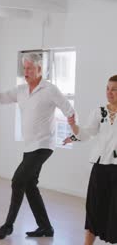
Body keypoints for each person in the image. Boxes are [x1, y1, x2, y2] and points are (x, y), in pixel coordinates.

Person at [0, 53, 75, 240]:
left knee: (17, 181)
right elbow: (0, 98)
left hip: (44, 145)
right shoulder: (21, 90)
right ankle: (45, 227)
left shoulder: (50, 89)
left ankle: (8, 226)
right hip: (29, 146)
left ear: (39, 69)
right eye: (25, 68)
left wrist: (73, 134)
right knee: (29, 185)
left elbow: (68, 109)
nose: (26, 71)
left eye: (30, 68)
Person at [63, 75, 117, 245]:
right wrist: (74, 127)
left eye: (114, 89)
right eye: (107, 88)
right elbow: (87, 133)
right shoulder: (100, 111)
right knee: (94, 209)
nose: (109, 93)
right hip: (100, 167)